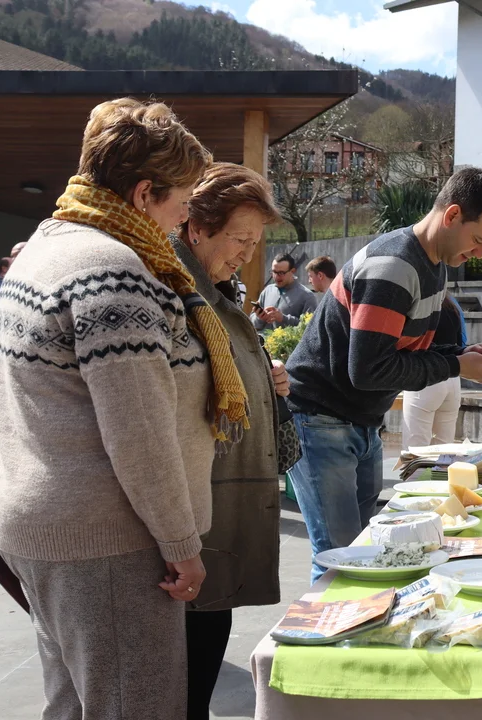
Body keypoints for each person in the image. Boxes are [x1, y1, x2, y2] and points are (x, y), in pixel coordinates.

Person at [0, 98, 226, 719]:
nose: (185, 217)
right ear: (145, 192)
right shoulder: (114, 274)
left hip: (48, 525)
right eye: (183, 200)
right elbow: (138, 432)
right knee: (135, 707)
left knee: (73, 704)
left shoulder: (47, 245)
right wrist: (181, 543)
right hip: (108, 540)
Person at [286, 166, 482, 583]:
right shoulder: (393, 265)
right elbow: (369, 369)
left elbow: (402, 350)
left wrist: (460, 354)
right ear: (452, 215)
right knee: (342, 560)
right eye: (479, 241)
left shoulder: (435, 264)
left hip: (359, 421)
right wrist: (455, 365)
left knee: (366, 553)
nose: (480, 254)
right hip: (321, 419)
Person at [171, 162, 290, 720]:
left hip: (219, 515)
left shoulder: (215, 289)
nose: (247, 252)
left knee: (201, 666)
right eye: (239, 238)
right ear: (196, 228)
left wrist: (265, 373)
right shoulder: (173, 290)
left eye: (255, 241)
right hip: (192, 521)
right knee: (182, 684)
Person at [401, 291, 469, 449]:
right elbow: (462, 341)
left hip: (425, 376)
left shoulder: (419, 302)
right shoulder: (453, 304)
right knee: (444, 450)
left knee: (415, 451)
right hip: (453, 379)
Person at [250, 252, 318, 331]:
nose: (276, 277)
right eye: (274, 272)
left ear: (292, 271)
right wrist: (259, 318)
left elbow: (310, 328)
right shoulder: (267, 291)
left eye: (281, 273)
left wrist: (283, 318)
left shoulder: (307, 296)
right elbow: (251, 323)